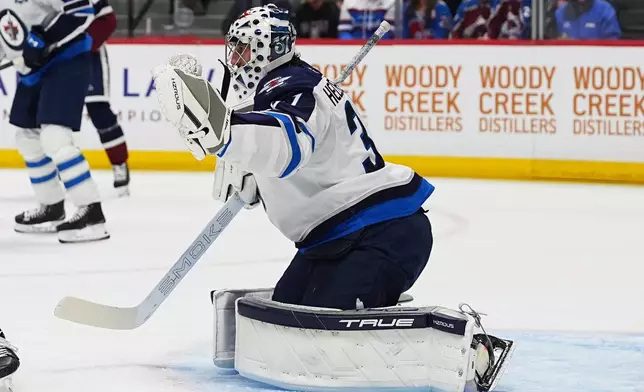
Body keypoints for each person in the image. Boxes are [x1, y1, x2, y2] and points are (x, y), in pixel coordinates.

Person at [153, 3, 433, 311]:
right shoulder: (283, 87)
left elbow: (287, 145)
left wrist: (225, 133)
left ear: (272, 48)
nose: (236, 59)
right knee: (286, 314)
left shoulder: (297, 89)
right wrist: (257, 174)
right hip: (334, 237)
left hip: (381, 230)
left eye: (245, 48)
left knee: (321, 335)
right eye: (234, 48)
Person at [1, 0, 110, 243]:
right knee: (27, 138)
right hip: (32, 71)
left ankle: (92, 213)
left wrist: (42, 39)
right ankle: (52, 208)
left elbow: (81, 11)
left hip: (66, 61)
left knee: (55, 137)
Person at [86, 0, 131, 196]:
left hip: (90, 57)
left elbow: (107, 19)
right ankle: (59, 171)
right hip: (58, 60)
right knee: (54, 114)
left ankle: (119, 163)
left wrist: (85, 44)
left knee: (99, 112)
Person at [555, 0, 621, 39]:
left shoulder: (605, 10)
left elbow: (612, 44)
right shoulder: (560, 13)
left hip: (598, 60)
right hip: (569, 60)